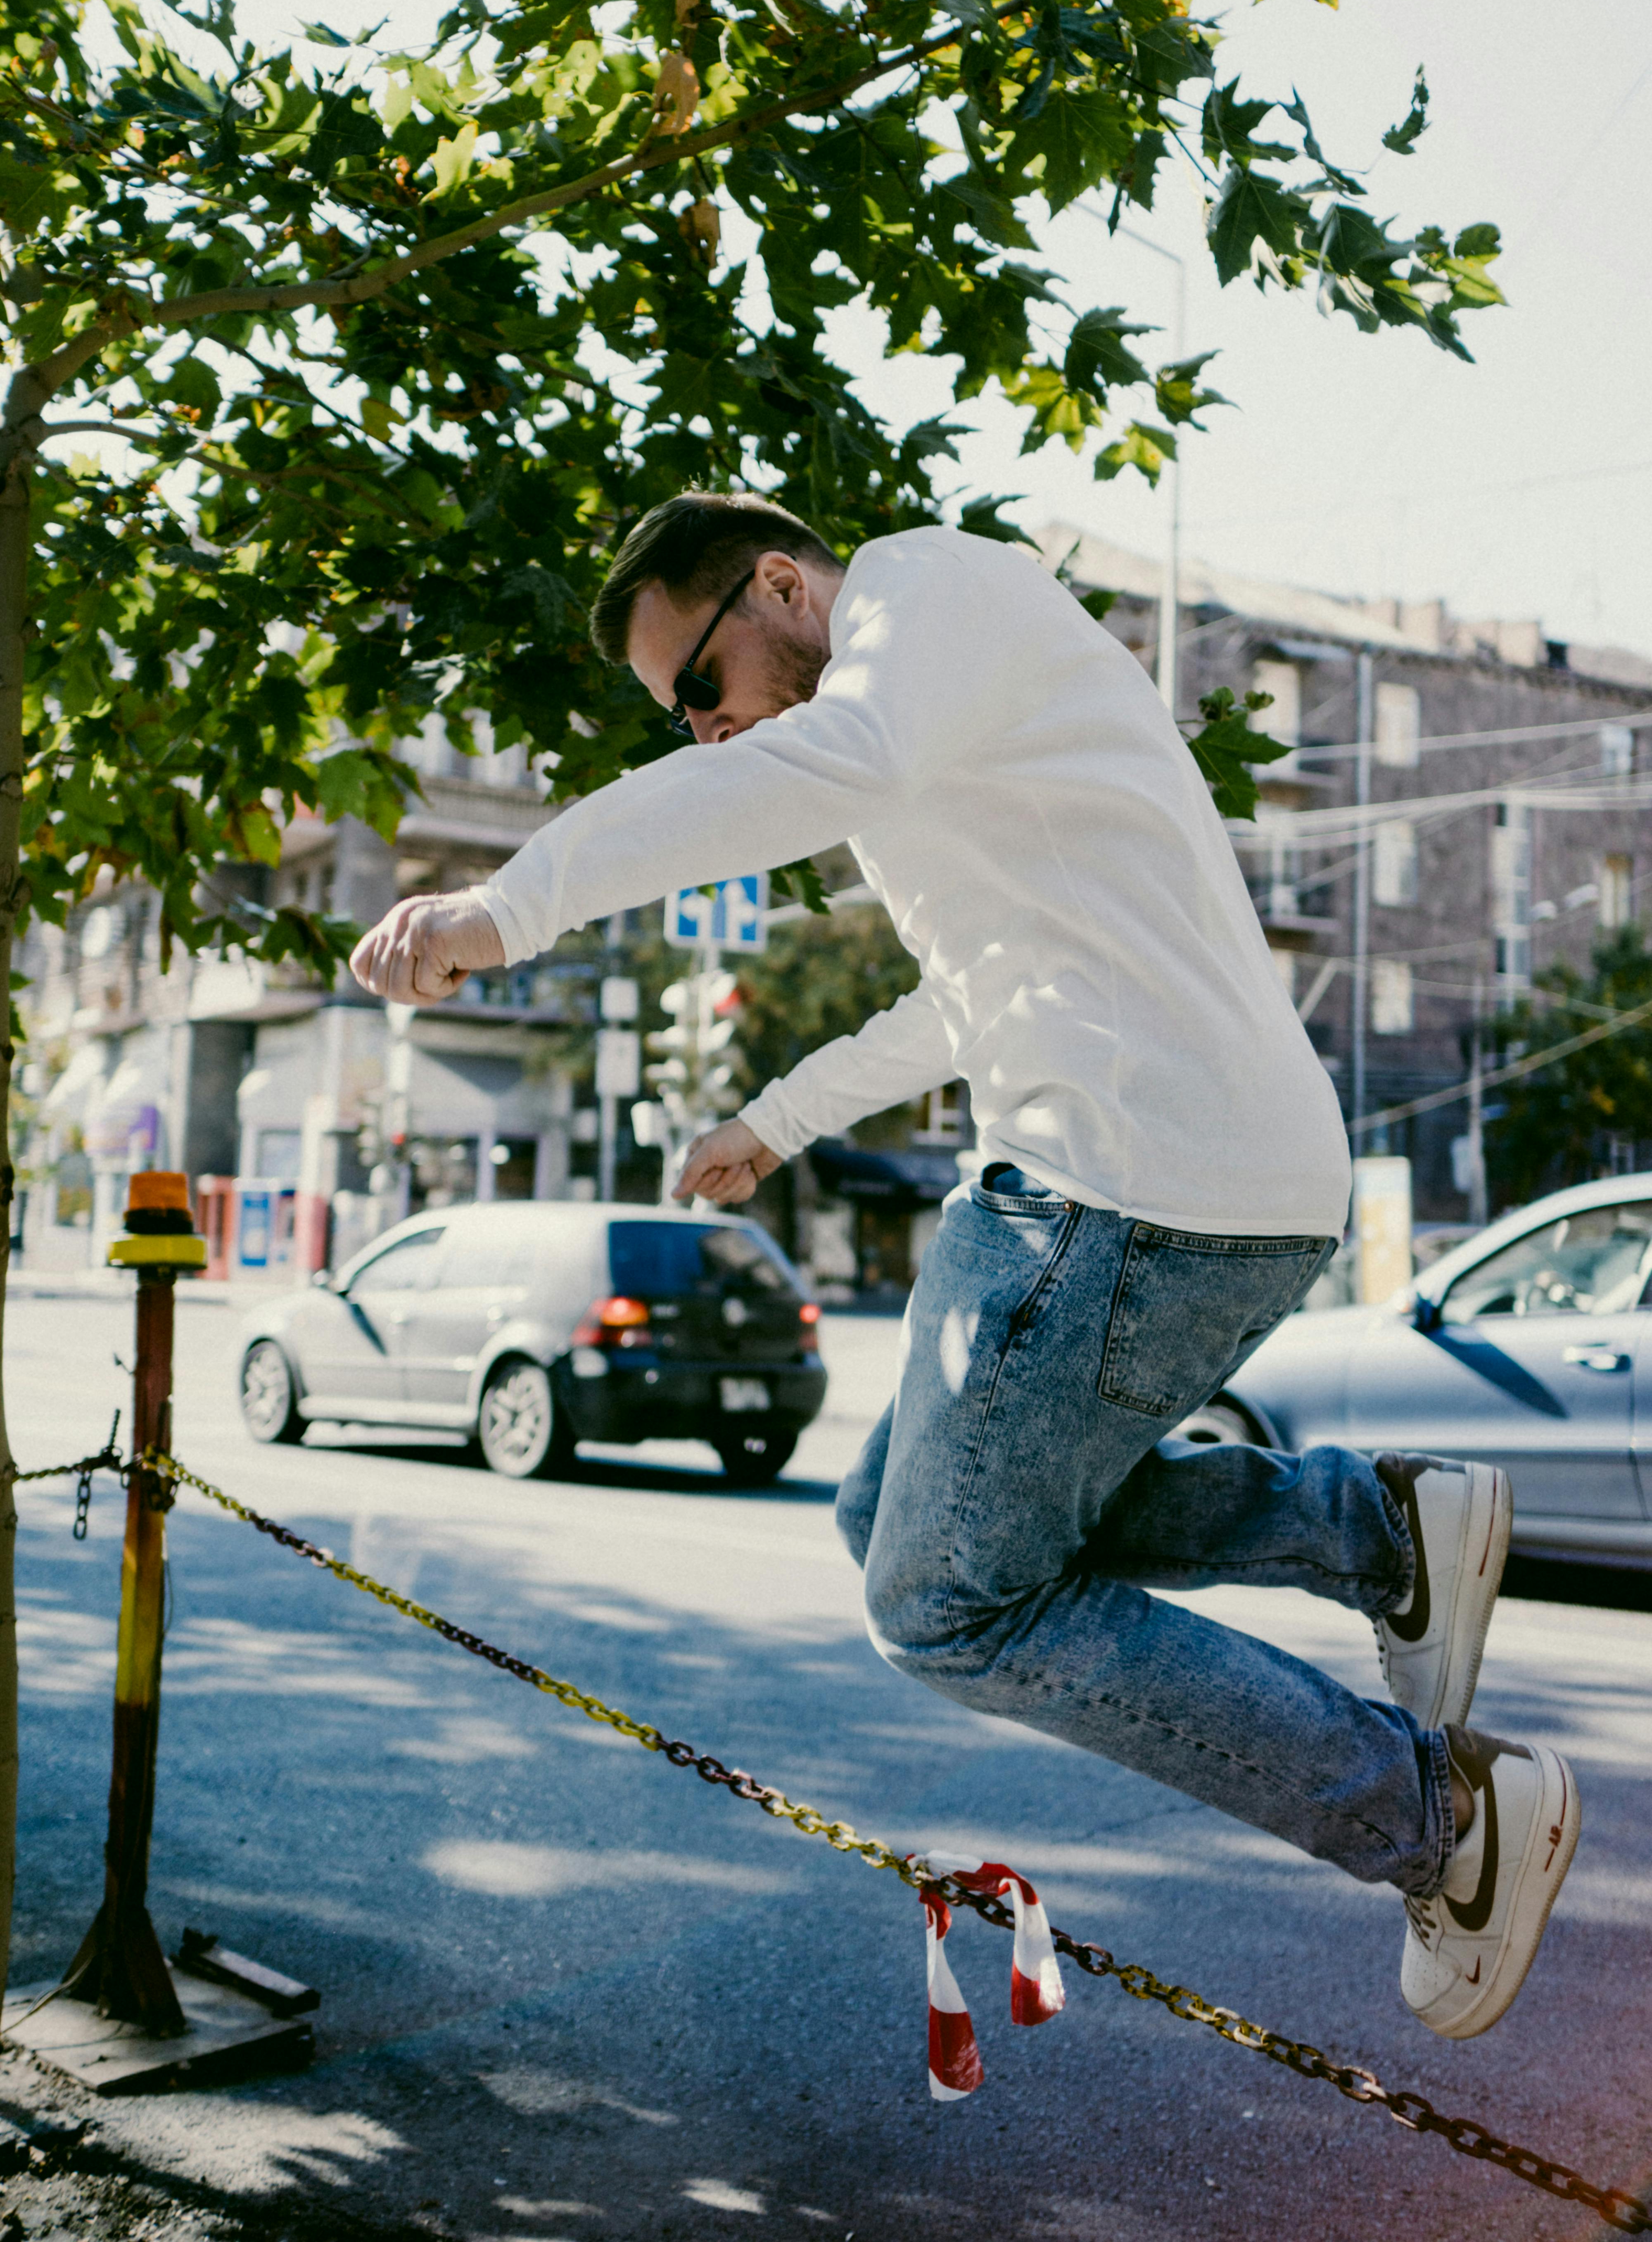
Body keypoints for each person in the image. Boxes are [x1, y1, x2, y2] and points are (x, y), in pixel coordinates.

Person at [350, 492, 1578, 2039]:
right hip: (1203, 1177)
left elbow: (817, 766)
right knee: (894, 1516)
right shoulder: (943, 713)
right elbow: (962, 995)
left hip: (1118, 1188)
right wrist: (776, 1121)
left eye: (699, 696)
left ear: (782, 583)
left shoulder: (930, 603)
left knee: (944, 1601)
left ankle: (1446, 1822)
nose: (707, 739)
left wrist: (505, 903)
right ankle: (1376, 1527)